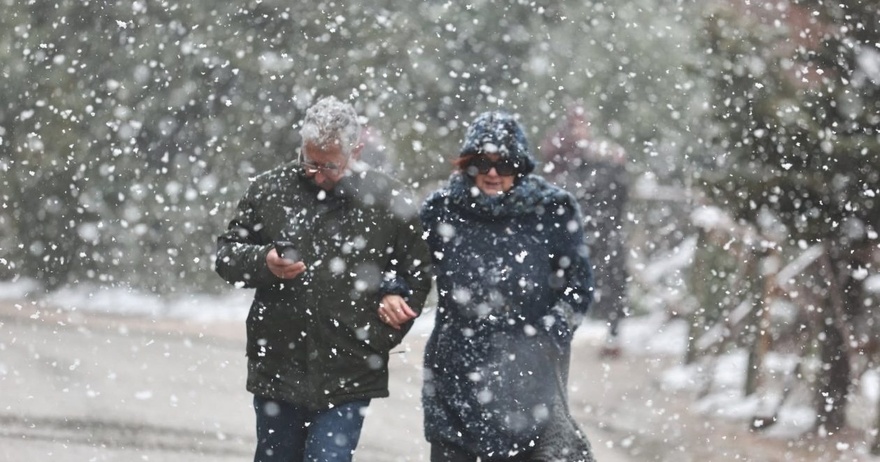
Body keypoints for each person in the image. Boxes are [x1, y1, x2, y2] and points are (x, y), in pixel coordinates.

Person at [214, 95, 432, 462]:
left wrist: (390, 315)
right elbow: (226, 256)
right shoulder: (269, 190)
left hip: (350, 369)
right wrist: (263, 261)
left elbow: (416, 271)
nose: (317, 174)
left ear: (356, 150)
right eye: (309, 161)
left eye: (330, 166)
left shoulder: (388, 199)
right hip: (279, 365)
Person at [419, 111, 595, 461]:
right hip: (456, 373)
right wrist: (392, 295)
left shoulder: (552, 211)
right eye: (483, 162)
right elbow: (406, 268)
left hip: (527, 378)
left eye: (507, 163)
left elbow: (580, 283)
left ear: (523, 166)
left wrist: (554, 325)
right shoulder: (442, 211)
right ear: (468, 164)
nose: (494, 173)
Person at [541, 103, 630, 358]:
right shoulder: (559, 149)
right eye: (576, 124)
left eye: (583, 124)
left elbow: (618, 191)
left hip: (601, 226)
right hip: (573, 226)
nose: (580, 130)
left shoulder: (601, 158)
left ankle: (612, 333)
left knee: (611, 279)